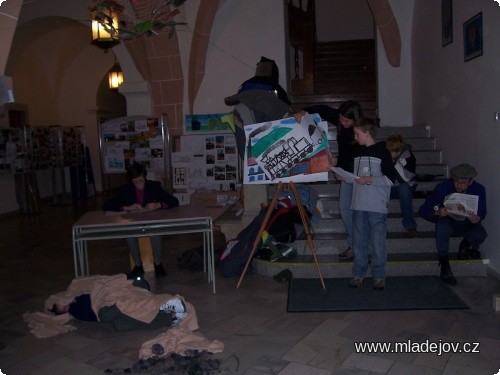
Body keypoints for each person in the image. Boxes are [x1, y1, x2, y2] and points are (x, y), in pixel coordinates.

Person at [294, 100, 364, 260]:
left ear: (356, 120)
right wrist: (304, 111)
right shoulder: (341, 119)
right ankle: (354, 246)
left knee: (358, 213)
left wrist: (339, 164)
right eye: (341, 119)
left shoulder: (362, 129)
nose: (342, 122)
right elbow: (323, 110)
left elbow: (358, 155)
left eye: (347, 121)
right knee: (345, 209)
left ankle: (360, 247)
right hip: (346, 173)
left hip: (360, 175)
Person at [103, 163, 179, 277]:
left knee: (156, 231)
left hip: (152, 221)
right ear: (131, 181)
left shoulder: (154, 186)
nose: (139, 184)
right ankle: (138, 266)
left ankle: (158, 264)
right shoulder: (125, 189)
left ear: (145, 177)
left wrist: (158, 205)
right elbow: (107, 205)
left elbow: (174, 201)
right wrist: (126, 207)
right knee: (129, 233)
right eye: (135, 181)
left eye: (141, 180)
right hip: (134, 222)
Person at [418, 163, 487, 285]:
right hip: (448, 222)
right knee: (442, 226)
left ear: (470, 182)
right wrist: (438, 212)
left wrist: (477, 218)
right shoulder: (443, 187)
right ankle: (444, 264)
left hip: (467, 223)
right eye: (456, 181)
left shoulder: (478, 189)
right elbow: (423, 210)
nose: (459, 185)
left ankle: (465, 245)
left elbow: (482, 212)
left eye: (463, 182)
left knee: (481, 234)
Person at [349, 118, 397, 290]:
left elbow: (390, 179)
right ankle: (358, 274)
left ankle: (378, 275)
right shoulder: (355, 151)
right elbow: (350, 174)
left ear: (367, 132)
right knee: (359, 241)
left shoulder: (383, 151)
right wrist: (339, 173)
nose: (355, 137)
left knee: (377, 242)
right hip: (359, 203)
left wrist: (370, 179)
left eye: (357, 133)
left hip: (376, 204)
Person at [386, 134, 418, 237]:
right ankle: (380, 226)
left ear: (398, 151)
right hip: (389, 187)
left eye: (391, 151)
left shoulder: (409, 157)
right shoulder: (385, 155)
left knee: (404, 188)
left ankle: (410, 226)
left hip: (404, 186)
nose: (388, 154)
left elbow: (405, 179)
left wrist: (394, 164)